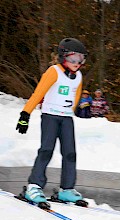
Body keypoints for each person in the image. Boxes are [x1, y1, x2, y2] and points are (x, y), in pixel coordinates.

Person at [15, 37, 87, 207]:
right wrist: (25, 114)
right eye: (73, 59)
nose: (77, 63)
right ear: (63, 57)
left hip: (66, 118)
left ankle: (67, 189)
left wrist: (70, 110)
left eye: (81, 59)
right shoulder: (53, 71)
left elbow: (75, 96)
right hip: (50, 117)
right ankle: (34, 186)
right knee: (46, 150)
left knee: (70, 153)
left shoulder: (78, 76)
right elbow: (38, 93)